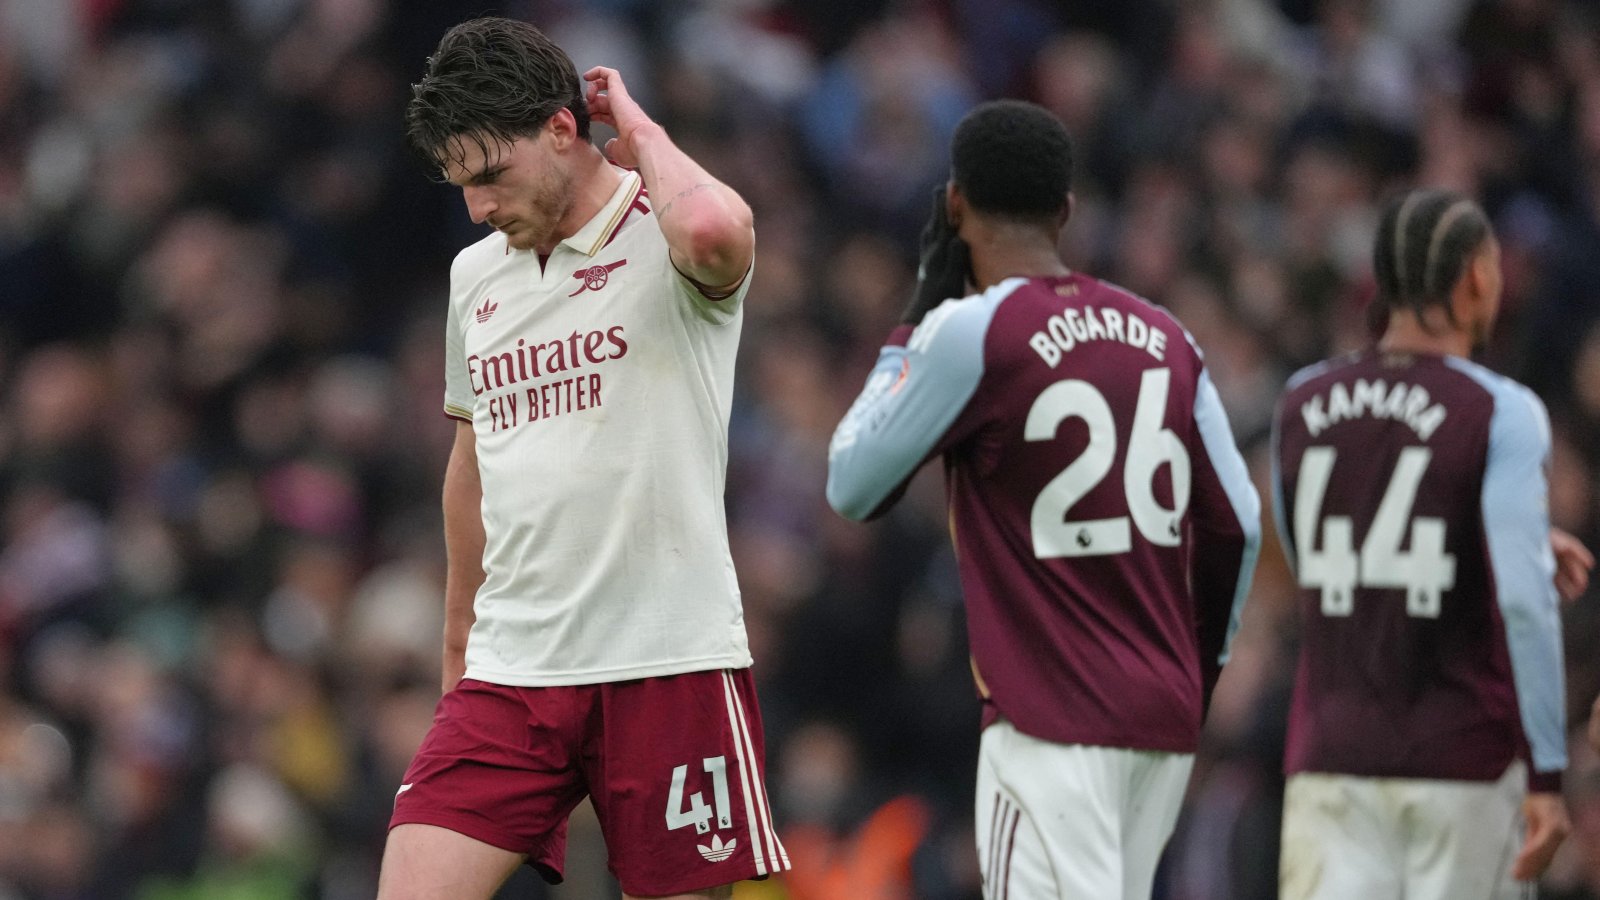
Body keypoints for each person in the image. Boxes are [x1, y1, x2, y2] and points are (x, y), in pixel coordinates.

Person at [378, 17, 787, 900]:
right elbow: (473, 467)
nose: (479, 207)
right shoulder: (475, 277)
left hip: (668, 661)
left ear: (563, 130)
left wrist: (638, 130)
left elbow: (719, 228)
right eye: (461, 186)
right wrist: (459, 654)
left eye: (491, 176)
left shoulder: (668, 231)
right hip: (514, 671)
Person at [826, 99, 1262, 900]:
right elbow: (1237, 521)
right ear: (1067, 211)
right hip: (1159, 727)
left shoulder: (973, 331)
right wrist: (1199, 670)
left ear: (954, 204)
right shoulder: (1169, 335)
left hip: (1050, 724)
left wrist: (912, 321)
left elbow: (852, 484)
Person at [1272, 188, 1573, 899]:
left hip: (1330, 761)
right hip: (1461, 762)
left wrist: (1503, 541)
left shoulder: (1301, 400)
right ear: (1476, 276)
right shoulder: (1501, 410)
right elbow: (1526, 606)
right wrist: (1548, 774)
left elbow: (1307, 553)